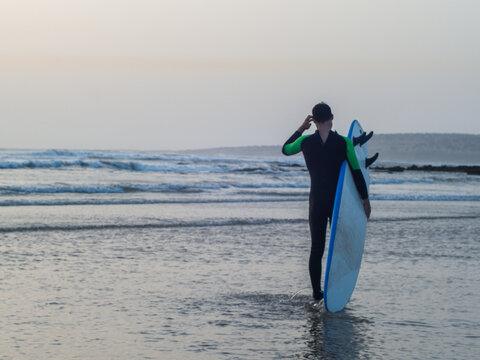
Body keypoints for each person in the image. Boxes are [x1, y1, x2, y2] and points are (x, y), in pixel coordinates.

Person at [282, 102, 371, 301]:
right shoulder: (344, 143)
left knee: (317, 248)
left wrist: (301, 128)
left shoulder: (305, 142)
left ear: (313, 120)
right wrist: (365, 200)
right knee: (338, 245)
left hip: (316, 202)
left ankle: (316, 293)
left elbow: (285, 149)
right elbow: (356, 173)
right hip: (338, 203)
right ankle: (335, 289)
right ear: (332, 117)